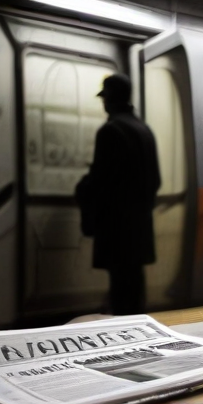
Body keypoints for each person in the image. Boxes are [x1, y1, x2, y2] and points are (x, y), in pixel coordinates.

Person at [77, 73, 161, 315]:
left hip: (117, 225)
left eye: (105, 98)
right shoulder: (143, 129)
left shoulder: (111, 131)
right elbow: (155, 180)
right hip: (139, 223)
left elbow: (102, 181)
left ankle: (124, 330)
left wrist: (83, 190)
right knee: (134, 283)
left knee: (120, 285)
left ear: (110, 99)